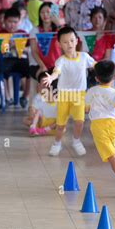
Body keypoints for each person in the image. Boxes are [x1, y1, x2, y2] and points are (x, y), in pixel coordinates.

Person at [42, 26, 95, 157]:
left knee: (79, 121)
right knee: (60, 125)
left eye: (71, 40)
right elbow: (56, 72)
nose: (69, 44)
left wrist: (107, 71)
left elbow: (96, 65)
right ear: (59, 44)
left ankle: (76, 141)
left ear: (77, 40)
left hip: (79, 95)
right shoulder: (61, 61)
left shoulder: (84, 56)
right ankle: (57, 143)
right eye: (65, 42)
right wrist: (51, 77)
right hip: (64, 96)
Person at [85, 60, 115, 196]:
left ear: (96, 78)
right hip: (111, 124)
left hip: (98, 127)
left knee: (112, 158)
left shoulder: (91, 91)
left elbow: (86, 109)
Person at [24, 72, 57, 136]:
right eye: (43, 83)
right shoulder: (38, 96)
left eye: (46, 83)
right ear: (39, 85)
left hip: (53, 122)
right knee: (25, 119)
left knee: (61, 124)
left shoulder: (55, 95)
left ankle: (43, 129)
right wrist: (31, 111)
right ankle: (35, 128)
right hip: (42, 120)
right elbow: (33, 107)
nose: (45, 85)